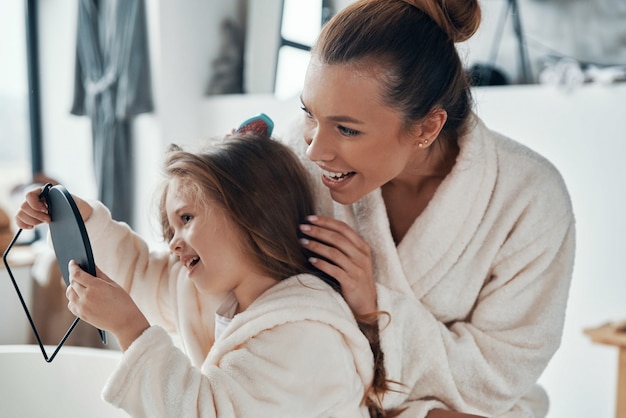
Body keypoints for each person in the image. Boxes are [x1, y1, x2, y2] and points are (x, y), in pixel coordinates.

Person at [284, 0, 576, 417]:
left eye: (347, 129)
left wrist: (374, 308)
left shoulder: (527, 197)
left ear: (426, 127)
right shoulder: (296, 158)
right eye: (309, 114)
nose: (315, 150)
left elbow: (498, 375)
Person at [15, 133, 403, 417]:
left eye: (186, 219)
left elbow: (208, 412)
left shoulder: (306, 333)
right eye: (171, 229)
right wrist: (82, 219)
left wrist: (129, 327)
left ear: (249, 211)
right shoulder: (216, 297)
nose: (174, 244)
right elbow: (141, 274)